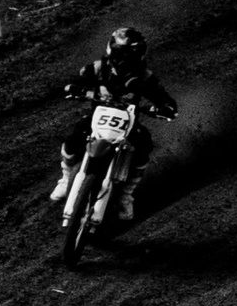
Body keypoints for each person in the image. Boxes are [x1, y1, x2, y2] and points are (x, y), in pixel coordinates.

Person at [51, 26, 180, 222]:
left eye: (129, 53)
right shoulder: (96, 68)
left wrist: (163, 109)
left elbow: (167, 102)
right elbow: (71, 84)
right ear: (112, 49)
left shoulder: (145, 77)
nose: (124, 58)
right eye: (120, 52)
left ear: (139, 54)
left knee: (144, 145)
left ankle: (126, 195)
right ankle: (66, 179)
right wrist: (80, 91)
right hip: (98, 118)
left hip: (127, 123)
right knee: (73, 138)